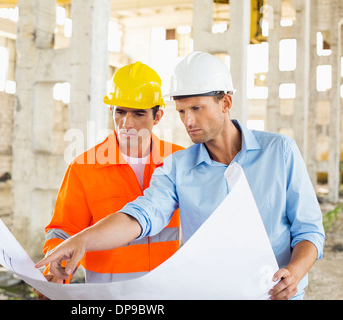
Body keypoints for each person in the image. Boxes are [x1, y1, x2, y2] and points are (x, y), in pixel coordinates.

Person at [36, 51, 325, 300]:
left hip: (274, 293)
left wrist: (295, 272)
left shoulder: (279, 151)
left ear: (225, 103)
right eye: (182, 111)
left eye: (197, 109)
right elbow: (143, 214)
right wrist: (81, 241)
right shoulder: (176, 167)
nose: (188, 121)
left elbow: (309, 229)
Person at [36, 61, 184, 298]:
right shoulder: (85, 167)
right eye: (120, 111)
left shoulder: (179, 161)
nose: (127, 123)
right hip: (108, 293)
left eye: (138, 113)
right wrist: (56, 272)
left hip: (165, 291)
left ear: (157, 116)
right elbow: (63, 231)